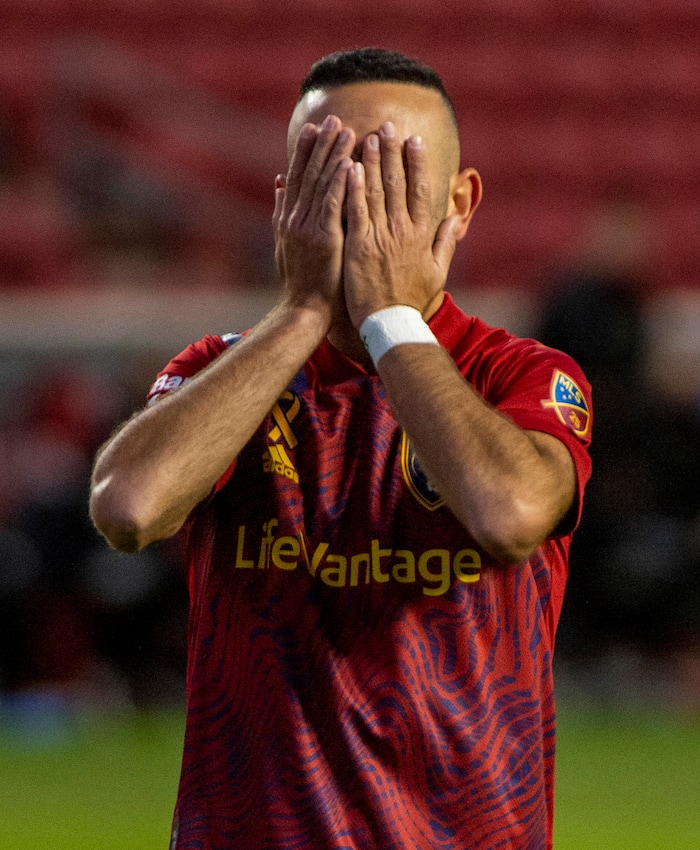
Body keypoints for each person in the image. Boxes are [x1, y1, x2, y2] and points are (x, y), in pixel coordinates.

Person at [90, 47, 593, 850]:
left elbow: (508, 512)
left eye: (396, 186)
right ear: (289, 204)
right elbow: (128, 507)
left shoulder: (519, 375)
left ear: (459, 205)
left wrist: (389, 319)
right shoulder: (219, 373)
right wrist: (297, 316)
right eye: (338, 183)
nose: (367, 218)